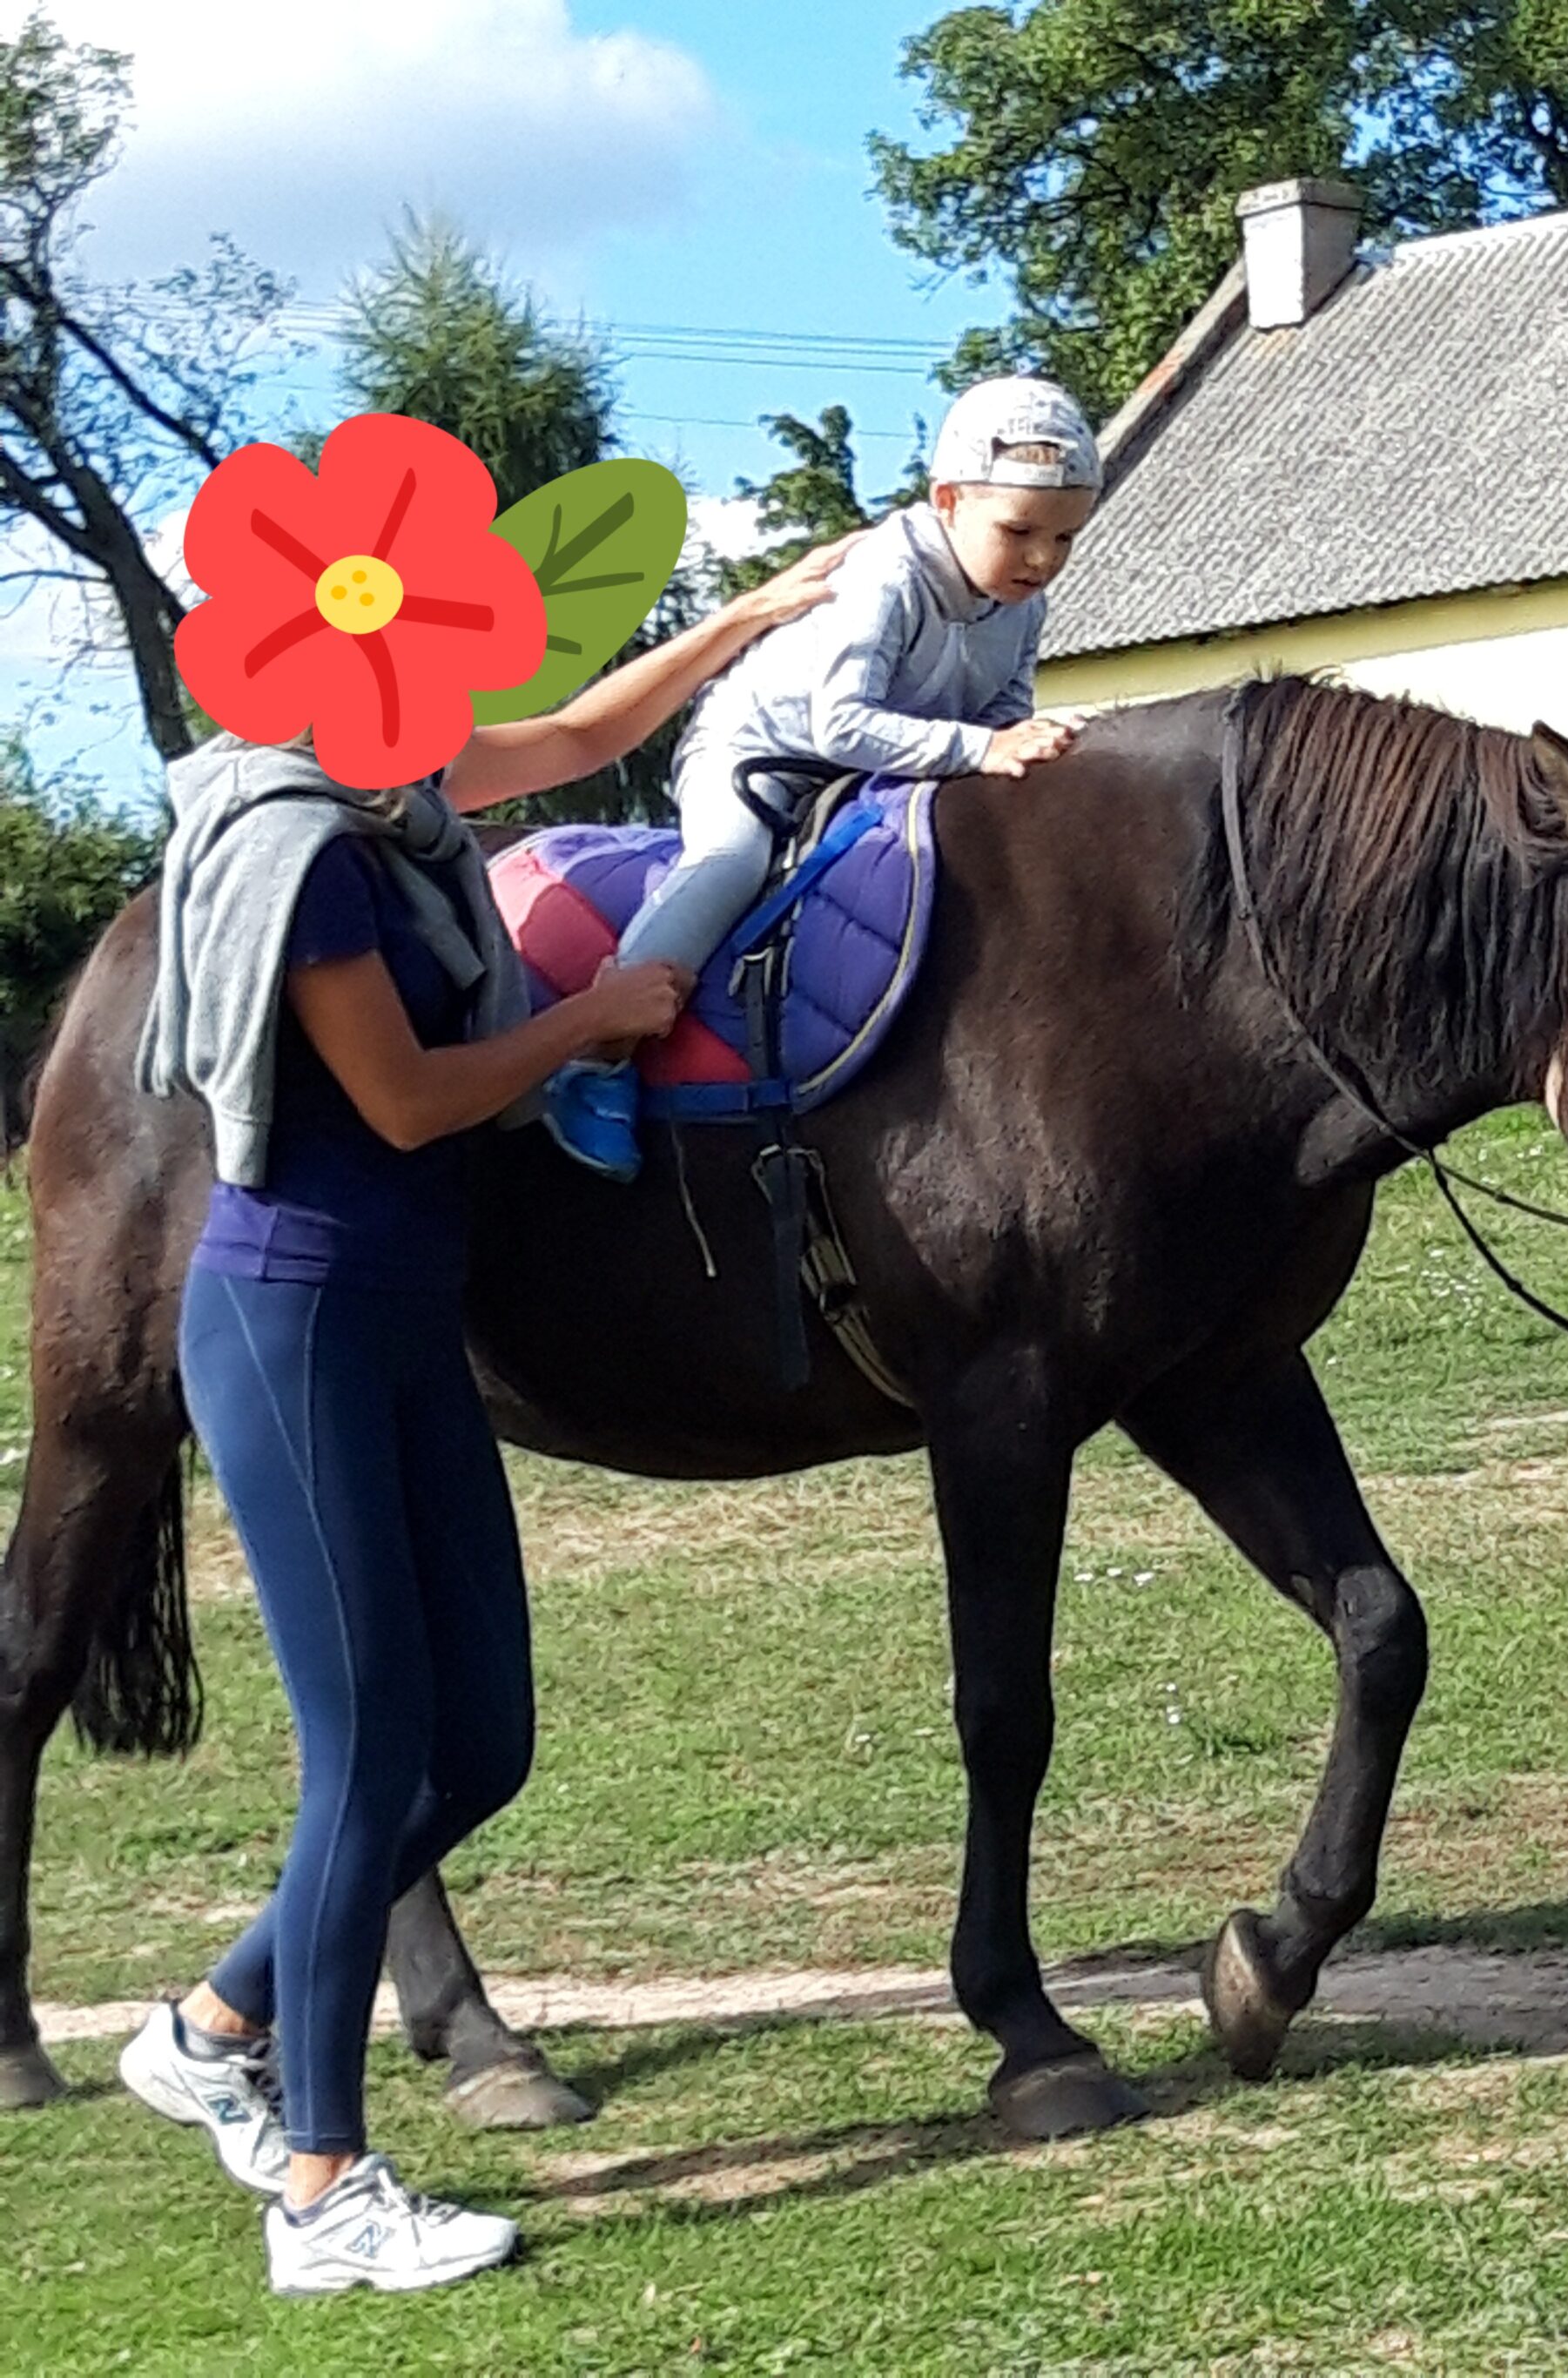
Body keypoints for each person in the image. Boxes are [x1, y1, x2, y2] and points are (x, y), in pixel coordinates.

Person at [116, 538, 853, 2299]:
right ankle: (321, 2189)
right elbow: (405, 1099)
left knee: (485, 1744)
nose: (444, 704)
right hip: (293, 1321)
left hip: (396, 1326)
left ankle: (211, 2025)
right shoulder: (306, 853)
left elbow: (582, 734)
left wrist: (753, 615)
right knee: (367, 1754)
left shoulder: (400, 790)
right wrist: (590, 1018)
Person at [544, 375, 1102, 1180]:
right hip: (759, 758)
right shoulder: (886, 575)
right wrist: (983, 749)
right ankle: (597, 1057)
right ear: (948, 501)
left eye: (1065, 538)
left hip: (886, 770)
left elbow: (1005, 714)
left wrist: (1018, 748)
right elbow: (843, 723)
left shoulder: (1022, 604)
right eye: (1019, 531)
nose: (1043, 559)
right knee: (729, 866)